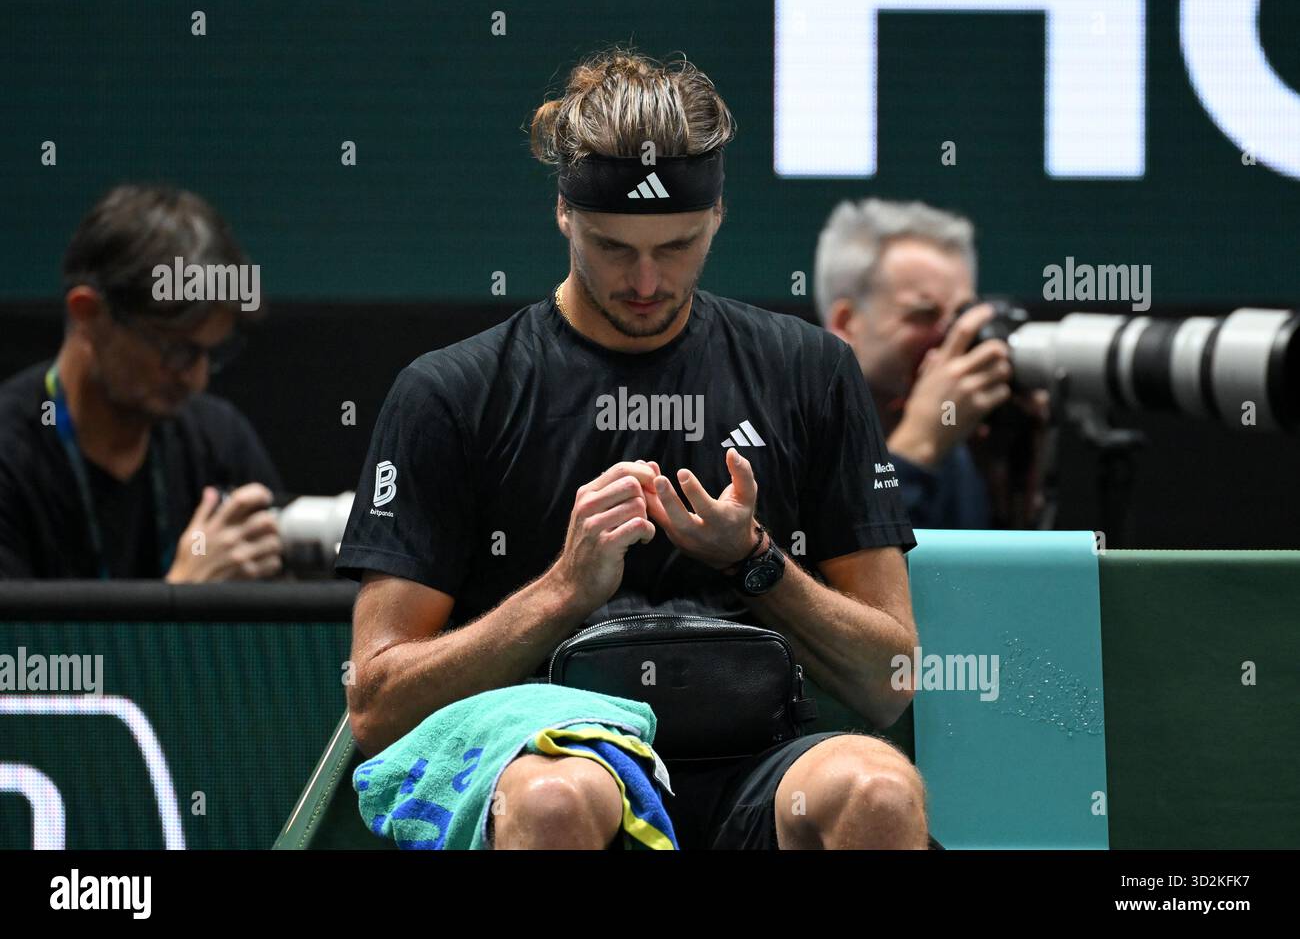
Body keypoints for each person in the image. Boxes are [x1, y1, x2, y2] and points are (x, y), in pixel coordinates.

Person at [335, 49, 932, 850]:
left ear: (717, 218)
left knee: (880, 794)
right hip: (555, 756)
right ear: (563, 215)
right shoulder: (449, 394)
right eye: (614, 248)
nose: (647, 281)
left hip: (760, 764)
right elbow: (376, 708)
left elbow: (891, 680)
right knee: (551, 801)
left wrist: (753, 562)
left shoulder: (811, 372)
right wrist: (562, 592)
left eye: (677, 245)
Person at [0, 184, 285, 581]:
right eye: (176, 351)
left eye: (212, 353)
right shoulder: (11, 460)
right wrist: (183, 595)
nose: (198, 379)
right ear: (90, 315)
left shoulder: (219, 440)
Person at [814, 198, 1047, 529]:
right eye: (924, 314)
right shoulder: (792, 434)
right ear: (847, 323)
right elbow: (855, 570)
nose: (951, 336)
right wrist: (918, 445)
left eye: (962, 314)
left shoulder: (958, 445)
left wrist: (1012, 472)